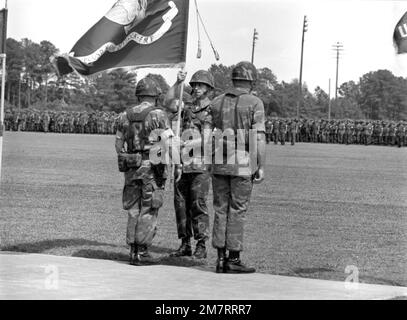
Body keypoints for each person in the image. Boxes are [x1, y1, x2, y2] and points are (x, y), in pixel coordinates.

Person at [207, 61, 266, 273]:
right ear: (251, 80)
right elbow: (258, 138)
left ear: (233, 79)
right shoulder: (254, 102)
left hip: (219, 160)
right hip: (242, 161)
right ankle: (233, 258)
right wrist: (260, 165)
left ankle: (220, 258)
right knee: (237, 209)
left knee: (220, 209)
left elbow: (205, 134)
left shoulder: (215, 102)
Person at [115, 76, 176, 265]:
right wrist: (176, 163)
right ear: (155, 96)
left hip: (131, 166)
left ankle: (133, 250)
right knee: (149, 207)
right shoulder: (158, 115)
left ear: (139, 95)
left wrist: (130, 156)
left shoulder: (123, 115)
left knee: (133, 208)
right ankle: (142, 251)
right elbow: (168, 141)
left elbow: (118, 145)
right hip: (152, 167)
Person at [165, 70, 214, 259]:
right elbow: (168, 103)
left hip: (200, 165)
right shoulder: (186, 106)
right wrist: (178, 83)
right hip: (181, 164)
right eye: (194, 84)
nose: (197, 88)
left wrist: (185, 143)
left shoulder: (211, 109)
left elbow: (207, 140)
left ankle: (201, 245)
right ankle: (184, 243)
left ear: (209, 88)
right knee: (180, 204)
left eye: (201, 85)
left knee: (198, 204)